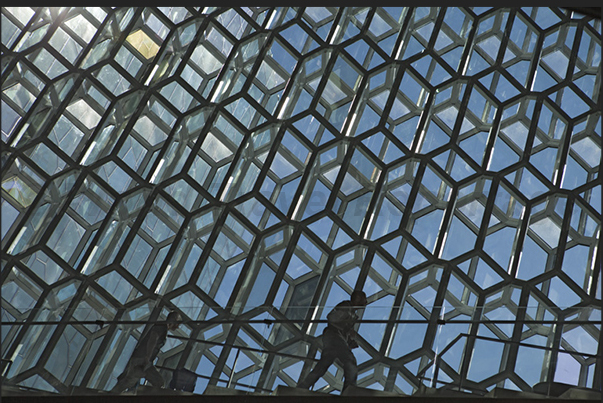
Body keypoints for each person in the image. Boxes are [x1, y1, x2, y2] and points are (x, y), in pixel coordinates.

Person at [297, 290, 367, 392]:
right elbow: (332, 318)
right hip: (334, 336)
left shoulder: (351, 313)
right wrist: (346, 326)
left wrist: (349, 340)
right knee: (350, 362)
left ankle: (303, 386)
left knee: (323, 366)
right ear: (357, 298)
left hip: (333, 338)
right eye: (363, 298)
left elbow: (342, 329)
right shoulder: (346, 307)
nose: (366, 301)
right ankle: (349, 391)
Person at [111, 311, 182, 393]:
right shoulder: (162, 326)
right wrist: (147, 357)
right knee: (159, 382)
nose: (177, 327)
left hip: (139, 359)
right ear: (174, 320)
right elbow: (152, 339)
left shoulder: (162, 327)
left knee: (128, 382)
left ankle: (111, 395)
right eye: (178, 323)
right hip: (143, 360)